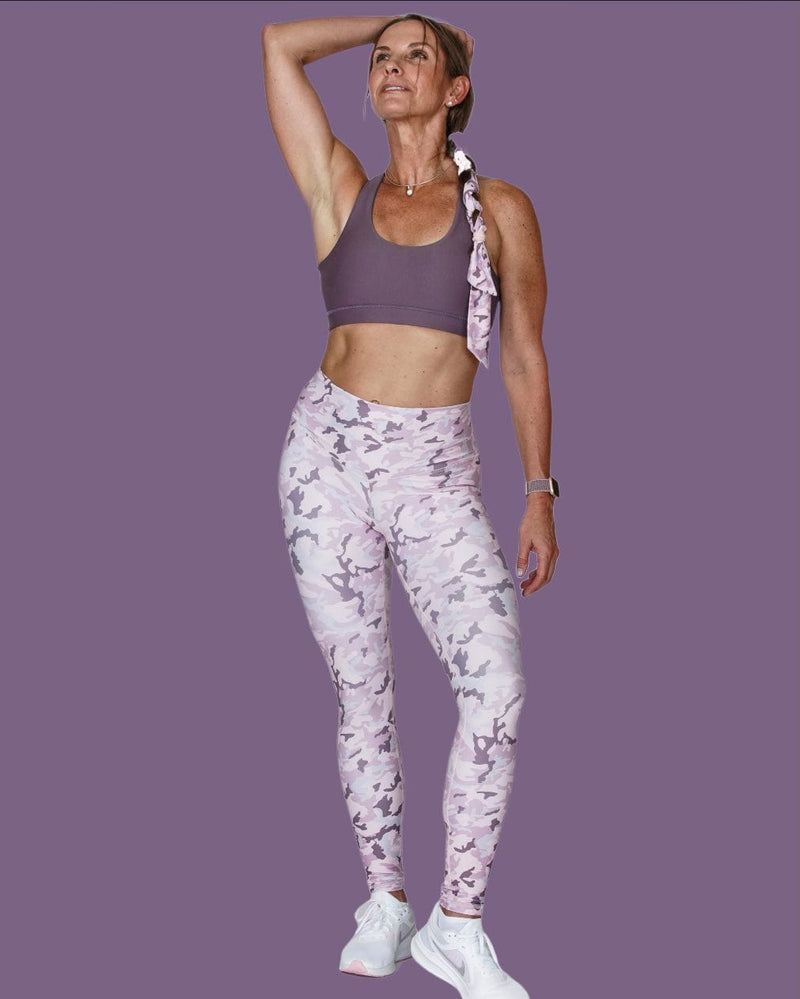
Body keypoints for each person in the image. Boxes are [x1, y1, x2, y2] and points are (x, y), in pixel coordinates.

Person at [261, 13, 558, 998]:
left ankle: (455, 924)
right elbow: (277, 45)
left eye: (414, 57)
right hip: (326, 457)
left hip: (434, 469)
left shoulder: (499, 208)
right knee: (361, 691)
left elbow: (522, 355)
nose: (390, 68)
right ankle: (386, 902)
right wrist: (397, 15)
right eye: (380, 60)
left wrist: (538, 490)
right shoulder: (341, 187)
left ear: (456, 88)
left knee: (496, 684)